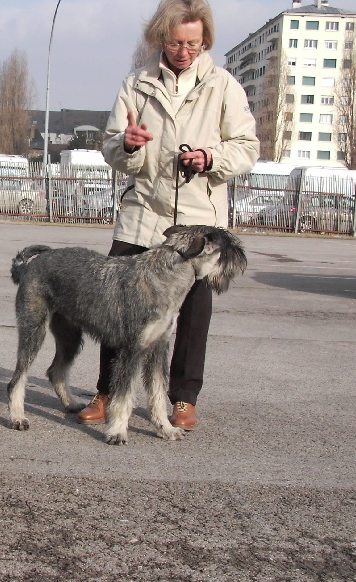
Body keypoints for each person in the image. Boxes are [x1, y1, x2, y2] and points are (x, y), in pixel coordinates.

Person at [77, 0, 259, 430]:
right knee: (117, 307)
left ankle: (182, 398)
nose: (184, 51)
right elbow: (109, 148)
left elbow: (248, 147)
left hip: (199, 222)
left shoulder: (224, 85)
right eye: (177, 42)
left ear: (205, 40)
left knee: (194, 314)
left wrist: (210, 156)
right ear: (161, 38)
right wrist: (129, 145)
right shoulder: (135, 83)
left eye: (193, 43)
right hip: (143, 215)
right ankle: (107, 392)